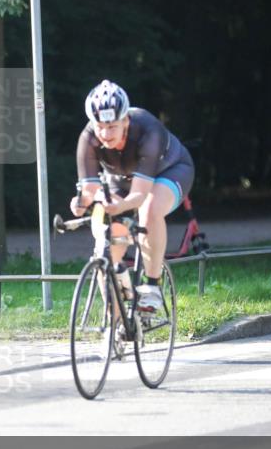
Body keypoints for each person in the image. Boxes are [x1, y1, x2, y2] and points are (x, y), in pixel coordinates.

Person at [69, 80, 195, 311]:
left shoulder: (148, 130)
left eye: (112, 126)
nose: (105, 134)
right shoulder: (88, 137)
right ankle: (116, 322)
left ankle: (153, 286)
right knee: (106, 244)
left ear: (125, 120)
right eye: (100, 126)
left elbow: (139, 195)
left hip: (169, 171)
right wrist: (80, 203)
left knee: (149, 210)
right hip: (120, 179)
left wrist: (120, 206)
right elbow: (89, 191)